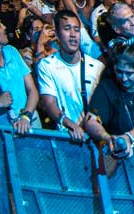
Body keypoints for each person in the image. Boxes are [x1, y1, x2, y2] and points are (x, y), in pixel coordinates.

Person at [82, 41, 134, 164]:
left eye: (129, 73)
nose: (123, 78)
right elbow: (91, 120)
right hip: (116, 153)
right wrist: (107, 137)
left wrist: (128, 137)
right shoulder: (107, 87)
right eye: (119, 72)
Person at [36, 10, 103, 142]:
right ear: (57, 34)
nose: (73, 35)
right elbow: (50, 103)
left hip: (96, 138)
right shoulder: (47, 65)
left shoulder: (96, 66)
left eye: (76, 30)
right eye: (67, 29)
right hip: (68, 139)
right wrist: (69, 124)